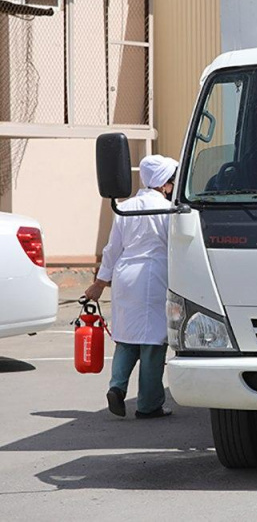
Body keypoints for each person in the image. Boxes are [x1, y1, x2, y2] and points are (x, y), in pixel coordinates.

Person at [85, 155, 178, 419]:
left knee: (126, 339)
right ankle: (149, 405)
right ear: (163, 184)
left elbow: (112, 249)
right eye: (172, 181)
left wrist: (99, 284)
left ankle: (117, 386)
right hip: (154, 275)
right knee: (152, 343)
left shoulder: (125, 207)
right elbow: (177, 247)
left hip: (124, 276)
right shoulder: (169, 209)